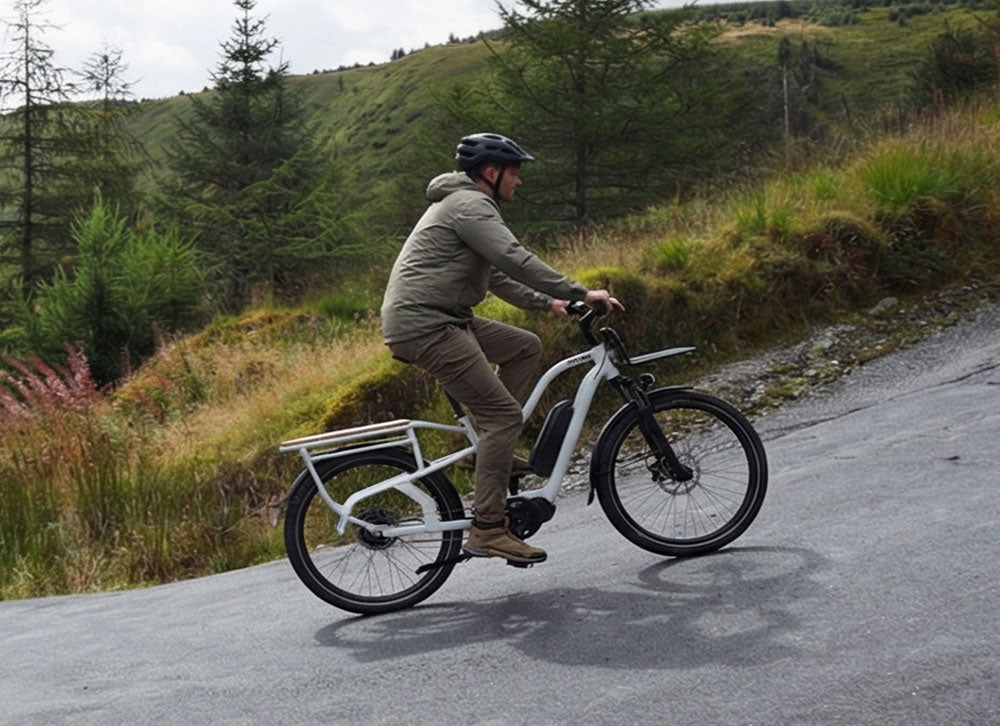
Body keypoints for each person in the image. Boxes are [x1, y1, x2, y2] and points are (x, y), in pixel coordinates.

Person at [380, 132, 623, 565]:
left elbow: (496, 277)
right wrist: (581, 292)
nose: (519, 182)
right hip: (428, 324)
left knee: (523, 347)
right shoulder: (470, 205)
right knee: (503, 416)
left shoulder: (460, 205)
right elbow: (514, 257)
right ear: (491, 173)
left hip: (445, 316)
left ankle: (490, 452)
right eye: (514, 173)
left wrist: (550, 302)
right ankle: (490, 527)